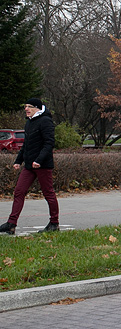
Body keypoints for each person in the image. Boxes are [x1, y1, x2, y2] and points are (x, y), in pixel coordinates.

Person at [1, 98, 58, 236]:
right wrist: (18, 161)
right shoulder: (29, 123)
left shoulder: (45, 121)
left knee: (48, 193)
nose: (26, 109)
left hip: (42, 165)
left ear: (37, 108)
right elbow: (26, 145)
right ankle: (11, 224)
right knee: (19, 192)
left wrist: (39, 160)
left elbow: (49, 143)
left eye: (29, 106)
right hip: (29, 166)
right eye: (25, 106)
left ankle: (54, 223)